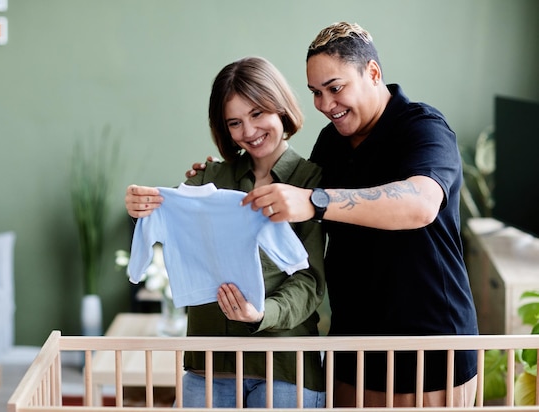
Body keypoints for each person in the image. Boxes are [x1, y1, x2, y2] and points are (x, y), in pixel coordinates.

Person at [188, 22, 479, 407]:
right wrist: (214, 178)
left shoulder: (423, 128)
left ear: (372, 73)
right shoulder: (331, 143)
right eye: (315, 93)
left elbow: (421, 204)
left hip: (427, 347)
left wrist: (317, 201)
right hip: (351, 349)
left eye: (335, 88)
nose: (325, 104)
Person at [125, 56, 326, 408]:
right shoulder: (207, 178)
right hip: (210, 365)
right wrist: (142, 206)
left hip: (284, 364)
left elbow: (309, 281)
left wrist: (262, 313)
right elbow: (167, 213)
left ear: (280, 108)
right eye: (234, 122)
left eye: (257, 114)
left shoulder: (311, 183)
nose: (248, 132)